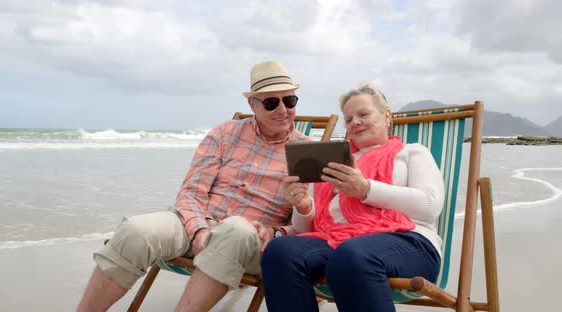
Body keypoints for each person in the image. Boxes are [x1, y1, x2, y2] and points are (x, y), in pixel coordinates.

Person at [76, 60, 310, 312]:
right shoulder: (225, 133)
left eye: (290, 101)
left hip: (251, 240)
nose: (283, 110)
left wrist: (275, 234)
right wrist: (199, 230)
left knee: (237, 229)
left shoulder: (306, 153)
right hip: (199, 224)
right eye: (271, 102)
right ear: (252, 104)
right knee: (136, 231)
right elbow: (191, 192)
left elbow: (309, 224)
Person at [260, 83, 445, 312]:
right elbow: (303, 228)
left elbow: (429, 205)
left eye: (363, 114)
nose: (355, 122)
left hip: (409, 243)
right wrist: (304, 206)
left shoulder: (412, 152)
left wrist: (365, 189)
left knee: (353, 254)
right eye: (348, 119)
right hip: (339, 244)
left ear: (386, 115)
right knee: (280, 251)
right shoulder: (334, 162)